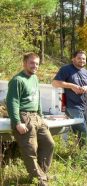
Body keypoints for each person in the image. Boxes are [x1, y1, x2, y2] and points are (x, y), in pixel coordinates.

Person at [6, 52, 55, 185]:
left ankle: (42, 173)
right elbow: (12, 102)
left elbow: (37, 98)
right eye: (32, 63)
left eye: (37, 64)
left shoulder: (34, 78)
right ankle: (39, 179)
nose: (35, 66)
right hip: (24, 117)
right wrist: (17, 123)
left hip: (36, 116)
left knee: (49, 144)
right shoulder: (17, 80)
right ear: (24, 63)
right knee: (30, 149)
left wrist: (41, 117)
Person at [52, 50, 87, 146]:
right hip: (72, 106)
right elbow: (54, 83)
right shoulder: (66, 69)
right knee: (82, 130)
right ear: (73, 59)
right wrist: (72, 86)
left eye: (84, 59)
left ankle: (81, 154)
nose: (81, 60)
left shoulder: (86, 72)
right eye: (79, 58)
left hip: (86, 106)